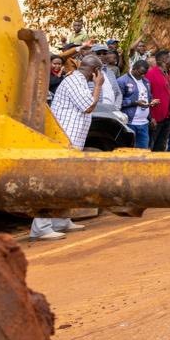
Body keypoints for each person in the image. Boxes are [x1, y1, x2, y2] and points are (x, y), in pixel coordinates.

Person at [31, 55, 105, 240]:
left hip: (72, 141)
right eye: (100, 70)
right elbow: (88, 106)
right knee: (54, 182)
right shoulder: (74, 81)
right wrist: (98, 85)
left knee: (67, 183)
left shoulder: (79, 81)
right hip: (64, 140)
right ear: (95, 71)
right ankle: (41, 227)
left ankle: (61, 220)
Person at [118, 60, 157, 148]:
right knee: (127, 150)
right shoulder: (122, 81)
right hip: (129, 123)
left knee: (143, 152)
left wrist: (152, 103)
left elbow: (148, 97)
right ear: (134, 69)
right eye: (141, 73)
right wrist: (135, 102)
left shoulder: (146, 81)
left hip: (144, 124)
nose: (143, 75)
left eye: (145, 73)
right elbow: (117, 102)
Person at [146, 50, 170, 151]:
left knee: (161, 145)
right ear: (165, 60)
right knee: (151, 145)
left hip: (168, 117)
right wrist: (151, 117)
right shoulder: (151, 74)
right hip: (156, 117)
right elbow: (147, 96)